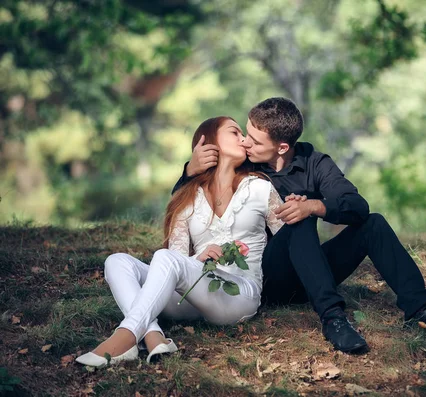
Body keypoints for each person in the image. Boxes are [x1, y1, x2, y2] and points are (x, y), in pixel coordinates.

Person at [173, 98, 426, 354]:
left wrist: (315, 205)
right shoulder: (245, 164)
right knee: (298, 221)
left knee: (374, 224)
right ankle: (334, 318)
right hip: (273, 276)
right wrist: (190, 169)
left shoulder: (315, 163)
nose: (247, 143)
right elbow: (191, 199)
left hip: (315, 268)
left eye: (256, 141)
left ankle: (423, 310)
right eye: (246, 134)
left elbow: (357, 205)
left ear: (282, 147)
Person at [75, 117, 284, 367]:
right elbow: (178, 259)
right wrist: (200, 258)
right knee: (117, 261)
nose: (244, 138)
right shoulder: (188, 196)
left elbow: (286, 243)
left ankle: (126, 336)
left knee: (162, 258)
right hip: (192, 293)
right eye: (235, 131)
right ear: (209, 142)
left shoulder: (260, 188)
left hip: (239, 293)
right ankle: (153, 335)